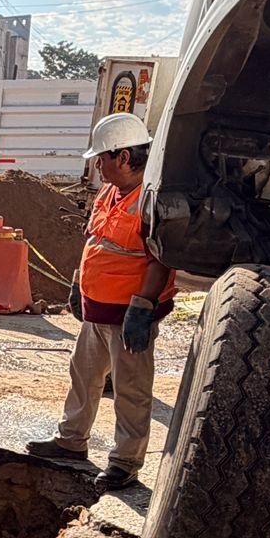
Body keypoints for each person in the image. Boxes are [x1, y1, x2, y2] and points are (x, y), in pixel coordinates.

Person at [26, 112, 176, 491]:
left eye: (102, 158)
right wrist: (80, 284)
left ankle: (126, 461)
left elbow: (160, 261)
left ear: (123, 157)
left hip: (129, 315)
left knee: (130, 388)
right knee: (84, 375)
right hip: (98, 310)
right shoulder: (109, 194)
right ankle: (71, 441)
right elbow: (95, 242)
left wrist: (142, 308)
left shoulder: (152, 201)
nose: (97, 164)